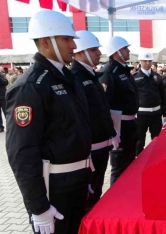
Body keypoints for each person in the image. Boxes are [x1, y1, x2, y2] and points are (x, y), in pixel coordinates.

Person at [5, 10, 93, 234]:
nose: (74, 45)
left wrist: (82, 175)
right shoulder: (31, 86)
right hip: (53, 190)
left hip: (75, 183)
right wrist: (38, 207)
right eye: (67, 39)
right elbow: (22, 152)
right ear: (45, 42)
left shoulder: (68, 77)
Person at [70, 30, 117, 212]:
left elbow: (101, 109)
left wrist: (112, 133)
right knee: (88, 199)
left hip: (101, 146)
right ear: (80, 53)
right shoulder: (76, 77)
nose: (99, 53)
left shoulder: (91, 75)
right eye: (93, 49)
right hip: (90, 152)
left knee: (95, 193)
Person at [99, 36, 138, 185]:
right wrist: (112, 131)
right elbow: (104, 104)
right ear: (116, 52)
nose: (128, 51)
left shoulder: (123, 70)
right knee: (119, 166)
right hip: (119, 126)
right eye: (125, 48)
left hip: (130, 124)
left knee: (129, 163)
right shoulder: (109, 72)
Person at [132, 50, 166, 155]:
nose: (147, 63)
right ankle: (138, 164)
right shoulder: (134, 77)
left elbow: (163, 96)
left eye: (149, 61)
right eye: (145, 61)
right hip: (141, 115)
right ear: (140, 61)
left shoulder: (158, 77)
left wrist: (165, 114)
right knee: (139, 141)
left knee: (156, 140)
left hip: (156, 114)